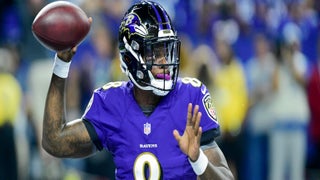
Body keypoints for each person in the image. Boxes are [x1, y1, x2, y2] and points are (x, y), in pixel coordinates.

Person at [41, 1, 234, 179]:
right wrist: (62, 64)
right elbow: (54, 142)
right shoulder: (111, 102)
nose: (164, 61)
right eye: (154, 53)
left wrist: (198, 159)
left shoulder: (190, 98)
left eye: (166, 51)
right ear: (129, 59)